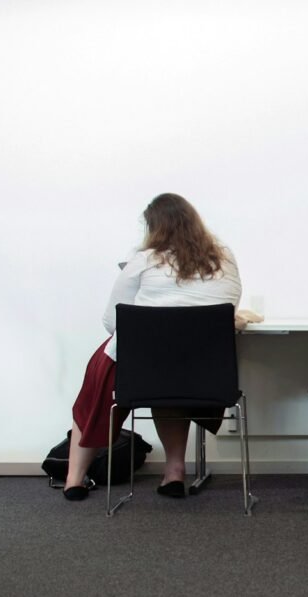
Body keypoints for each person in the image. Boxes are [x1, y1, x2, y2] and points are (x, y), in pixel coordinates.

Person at [63, 193, 242, 501]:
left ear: (154, 227)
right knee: (170, 385)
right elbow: (230, 305)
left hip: (145, 367)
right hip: (202, 370)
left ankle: (74, 480)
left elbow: (112, 321)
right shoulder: (223, 258)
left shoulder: (143, 261)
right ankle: (174, 473)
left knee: (96, 388)